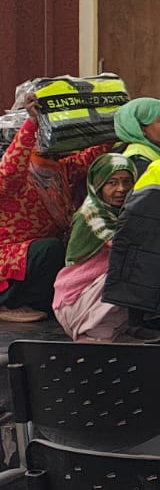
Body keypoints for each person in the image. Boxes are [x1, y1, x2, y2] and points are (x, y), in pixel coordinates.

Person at [0, 97, 112, 323]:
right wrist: (32, 123)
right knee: (49, 249)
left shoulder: (58, 171)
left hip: (40, 255)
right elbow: (11, 168)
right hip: (9, 257)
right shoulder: (14, 178)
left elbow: (90, 156)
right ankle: (7, 304)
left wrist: (113, 128)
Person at [51, 154, 160, 342]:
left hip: (100, 288)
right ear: (98, 184)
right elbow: (124, 246)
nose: (121, 189)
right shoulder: (92, 214)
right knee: (131, 266)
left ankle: (121, 327)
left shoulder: (124, 211)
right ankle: (94, 333)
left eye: (127, 182)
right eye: (112, 183)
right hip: (77, 297)